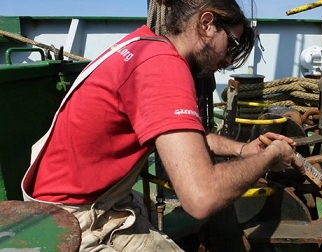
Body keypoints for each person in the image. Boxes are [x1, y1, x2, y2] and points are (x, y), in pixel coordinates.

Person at [21, 0, 301, 251]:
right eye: (233, 44)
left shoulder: (142, 43)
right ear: (207, 23)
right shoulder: (164, 70)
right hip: (78, 220)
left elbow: (184, 139)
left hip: (74, 200)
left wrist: (243, 151)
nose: (228, 60)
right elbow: (201, 198)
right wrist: (270, 156)